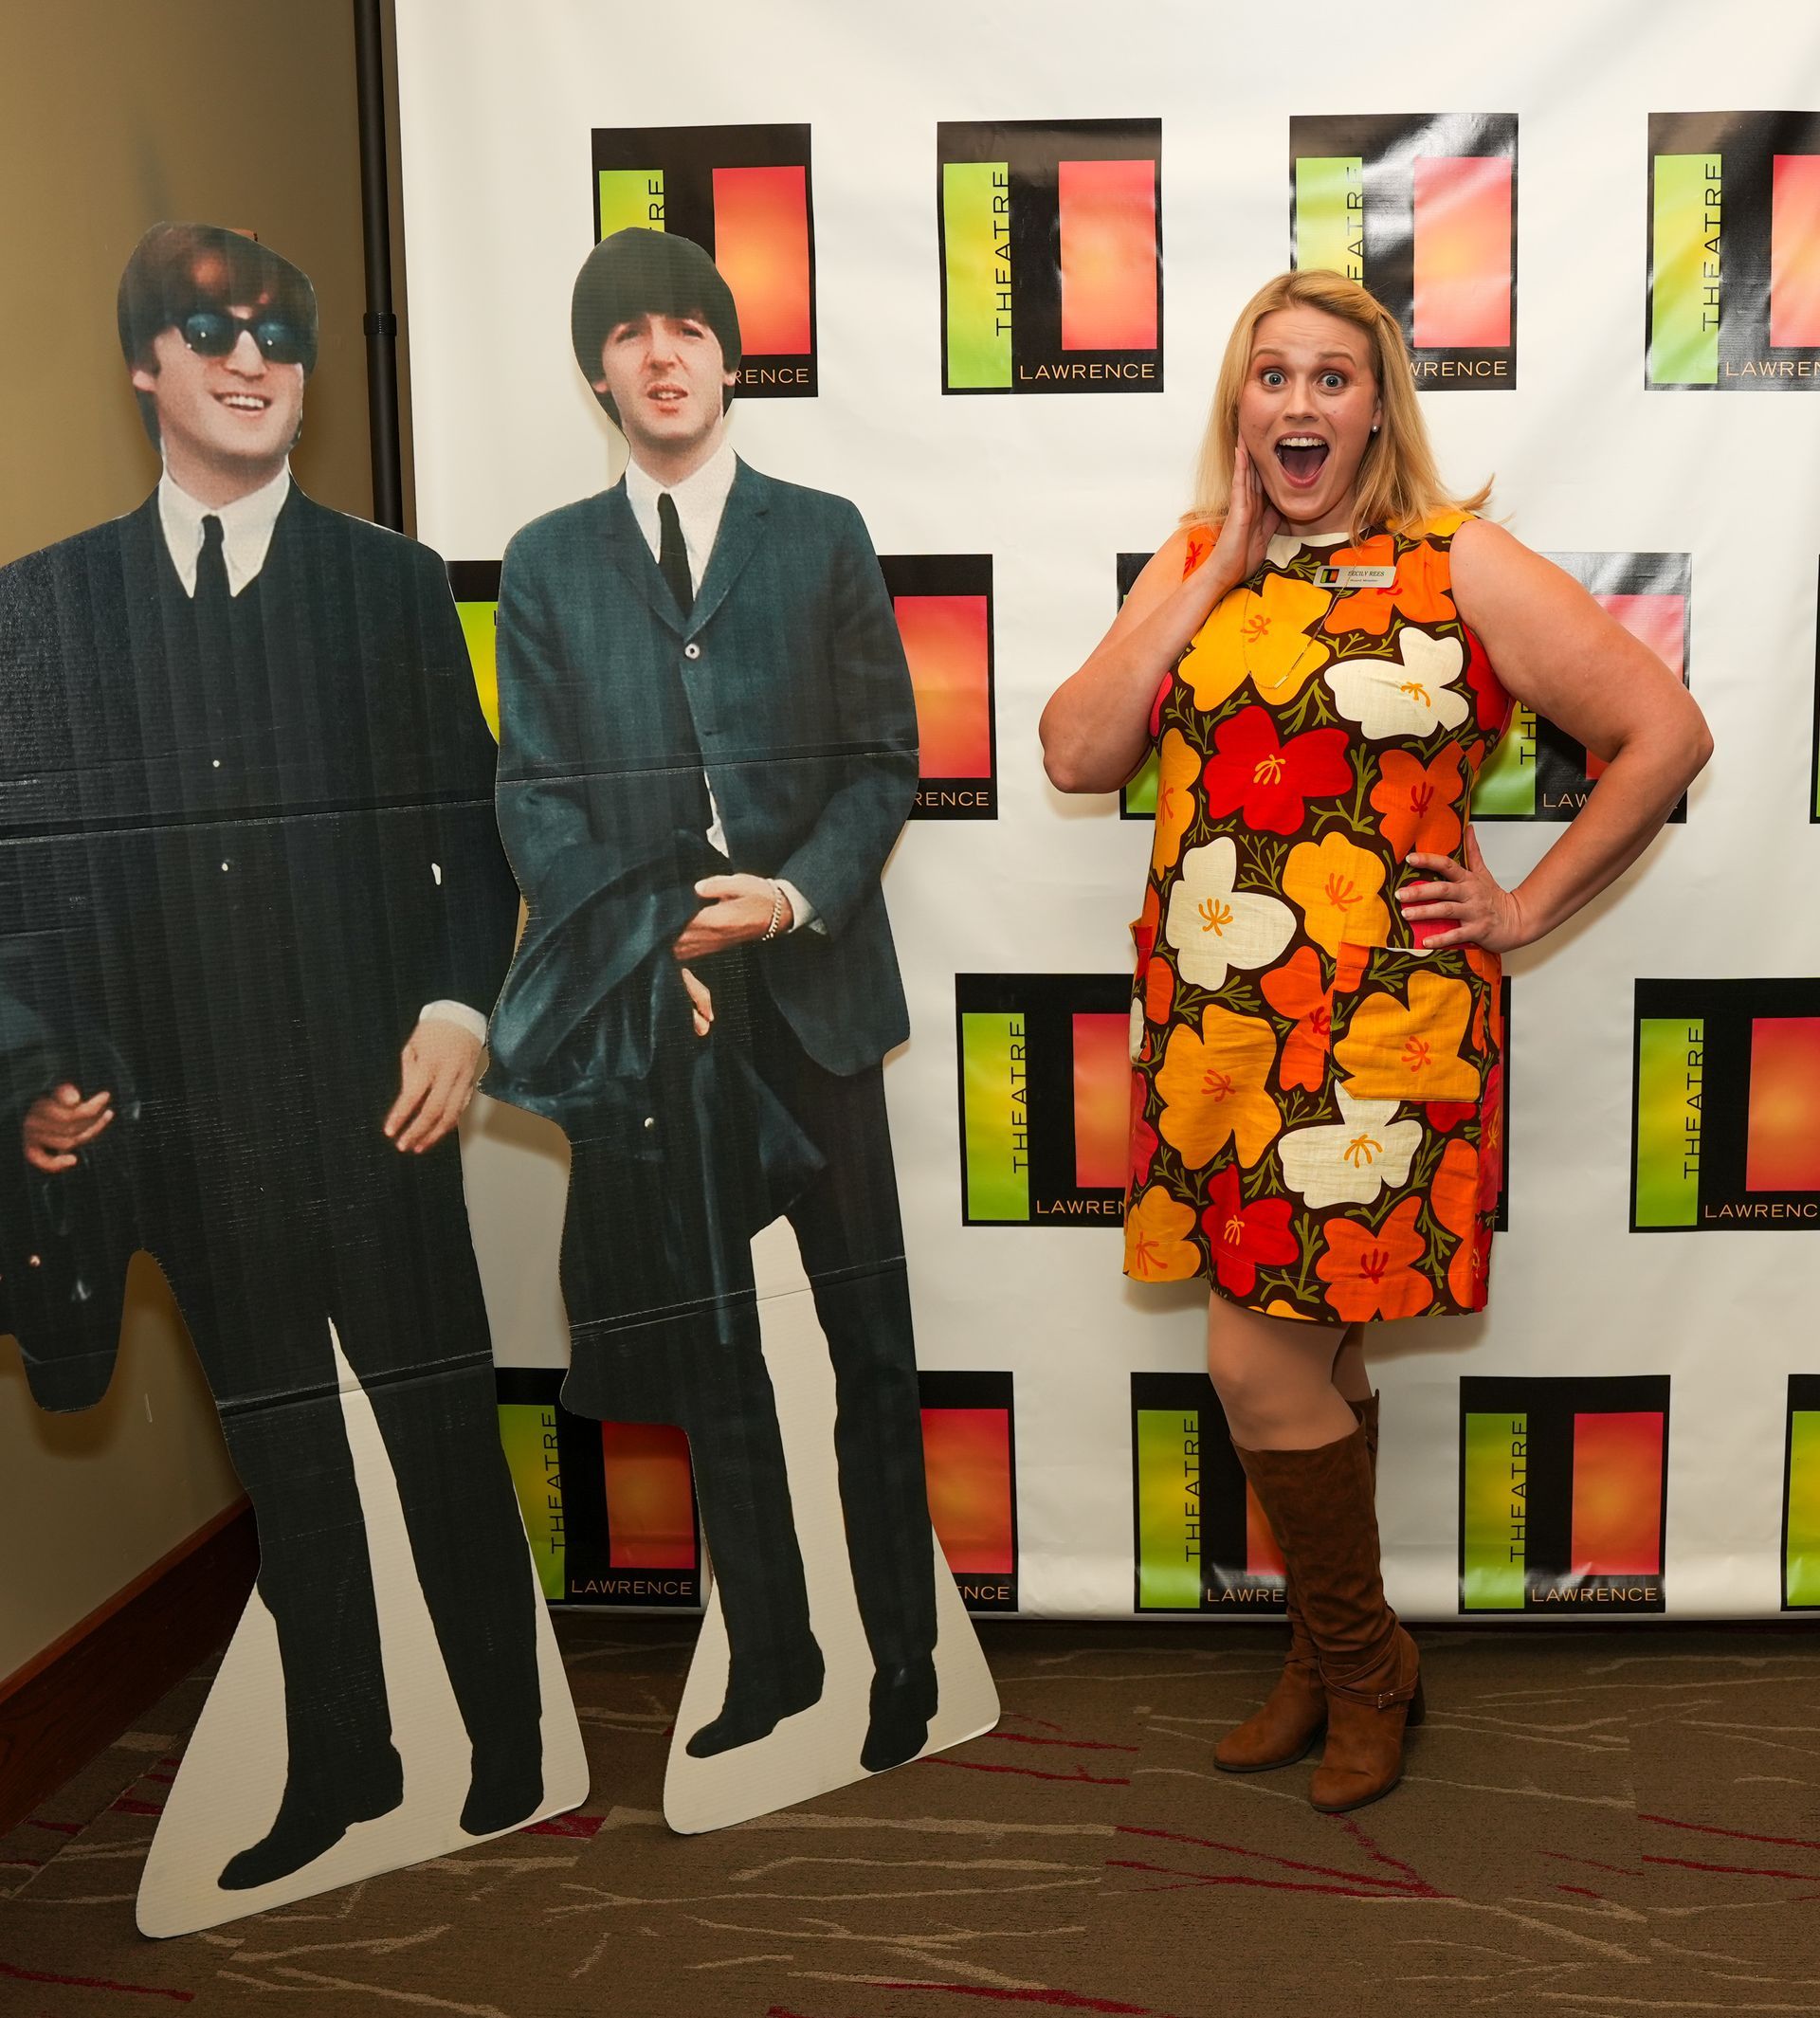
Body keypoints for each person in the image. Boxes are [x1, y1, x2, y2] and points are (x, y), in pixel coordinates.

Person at [1040, 269, 1711, 1813]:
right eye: (1270, 376)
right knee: (1315, 1354)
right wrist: (1202, 583)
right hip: (1218, 1033)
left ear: (1376, 405)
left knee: (1254, 1359)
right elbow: (1080, 748)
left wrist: (1527, 904)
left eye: (1332, 378)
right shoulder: (1197, 558)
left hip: (1382, 1036)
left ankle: (1365, 1665)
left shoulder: (1453, 560)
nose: (1297, 403)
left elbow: (1663, 729)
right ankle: (1324, 1649)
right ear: (1238, 405)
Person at [0, 223, 544, 1889]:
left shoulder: (390, 586)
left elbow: (482, 835)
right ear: (145, 367)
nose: (251, 360)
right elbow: (17, 890)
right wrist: (34, 1071)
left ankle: (509, 1756)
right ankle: (345, 1766)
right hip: (187, 1134)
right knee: (291, 1463)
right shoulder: (45, 609)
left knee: (443, 1439)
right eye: (210, 330)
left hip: (381, 1118)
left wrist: (461, 1016)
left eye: (280, 337)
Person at [487, 227, 941, 1773]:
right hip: (662, 1015)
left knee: (873, 1344)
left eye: (688, 326)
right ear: (595, 370)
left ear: (730, 357)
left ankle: (905, 1661)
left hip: (810, 991)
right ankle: (778, 1659)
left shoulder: (822, 535)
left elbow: (888, 759)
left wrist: (794, 894)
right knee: (724, 1356)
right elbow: (534, 795)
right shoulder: (549, 561)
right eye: (629, 332)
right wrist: (642, 944)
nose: (662, 352)